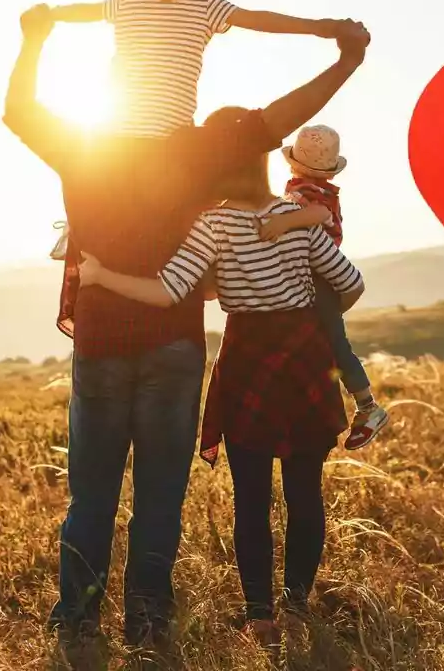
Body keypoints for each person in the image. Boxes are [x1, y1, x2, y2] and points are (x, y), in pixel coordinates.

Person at [0, 1, 370, 652]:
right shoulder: (199, 149)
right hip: (172, 346)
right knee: (159, 498)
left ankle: (77, 615)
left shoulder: (83, 144)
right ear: (180, 75)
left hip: (99, 344)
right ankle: (147, 618)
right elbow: (278, 120)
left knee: (91, 498)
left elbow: (20, 112)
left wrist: (34, 40)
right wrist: (345, 58)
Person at [75, 145, 365, 657]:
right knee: (305, 495)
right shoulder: (294, 217)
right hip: (303, 359)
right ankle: (296, 605)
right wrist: (309, 315)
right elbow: (350, 283)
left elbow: (169, 292)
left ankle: (261, 617)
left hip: (248, 361)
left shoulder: (213, 224)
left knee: (251, 500)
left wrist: (100, 277)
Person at [45, 0, 346, 258]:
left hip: (116, 143)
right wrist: (321, 28)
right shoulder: (204, 4)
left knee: (85, 159)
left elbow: (82, 12)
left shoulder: (124, 2)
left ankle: (78, 227)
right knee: (225, 154)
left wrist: (49, 15)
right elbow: (261, 19)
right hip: (175, 145)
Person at [257, 125, 389, 449]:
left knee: (334, 342)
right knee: (321, 341)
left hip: (319, 275)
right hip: (313, 274)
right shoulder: (311, 188)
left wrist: (282, 223)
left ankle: (368, 407)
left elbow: (317, 214)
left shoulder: (312, 194)